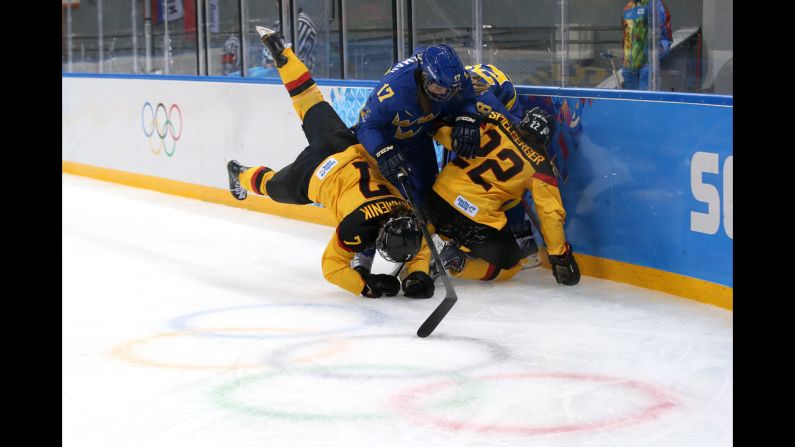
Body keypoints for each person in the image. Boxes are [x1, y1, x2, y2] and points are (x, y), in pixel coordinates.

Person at [226, 27, 434, 299]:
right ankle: (240, 174)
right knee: (271, 186)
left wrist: (415, 272)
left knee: (308, 97)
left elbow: (419, 244)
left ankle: (282, 52)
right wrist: (367, 286)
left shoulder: (404, 211)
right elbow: (331, 268)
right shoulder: (361, 227)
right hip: (315, 175)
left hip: (344, 146)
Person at [351, 43, 482, 273]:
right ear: (424, 76)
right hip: (387, 141)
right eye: (439, 88)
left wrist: (468, 117)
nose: (446, 94)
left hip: (418, 140)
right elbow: (366, 126)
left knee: (426, 198)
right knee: (379, 201)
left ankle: (422, 256)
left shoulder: (455, 79)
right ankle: (363, 252)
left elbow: (466, 101)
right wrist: (383, 151)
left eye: (450, 89)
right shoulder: (394, 89)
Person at [425, 109, 580, 286]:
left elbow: (456, 136)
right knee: (512, 265)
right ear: (546, 137)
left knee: (435, 225)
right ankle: (458, 262)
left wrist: (435, 126)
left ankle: (429, 245)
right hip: (474, 216)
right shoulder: (541, 167)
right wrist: (559, 255)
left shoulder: (495, 120)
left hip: (439, 194)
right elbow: (551, 214)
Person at [620, 0, 672, 90]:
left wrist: (654, 59)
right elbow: (626, 35)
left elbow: (665, 37)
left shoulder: (655, 3)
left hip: (647, 68)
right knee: (631, 102)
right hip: (629, 68)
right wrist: (624, 58)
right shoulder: (628, 6)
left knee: (645, 102)